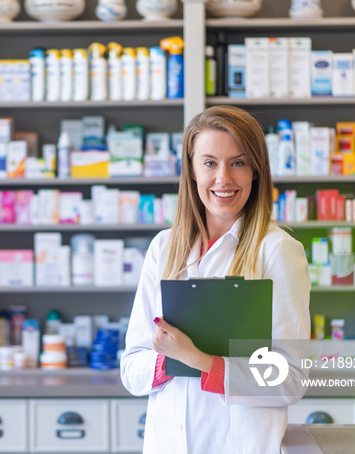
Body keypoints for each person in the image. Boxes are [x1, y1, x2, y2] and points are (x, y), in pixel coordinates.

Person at [120, 105, 311, 453]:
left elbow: (289, 380)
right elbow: (132, 369)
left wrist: (199, 360)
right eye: (209, 163)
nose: (223, 177)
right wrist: (167, 358)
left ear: (256, 171)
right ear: (191, 171)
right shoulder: (164, 247)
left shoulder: (278, 250)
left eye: (237, 162)